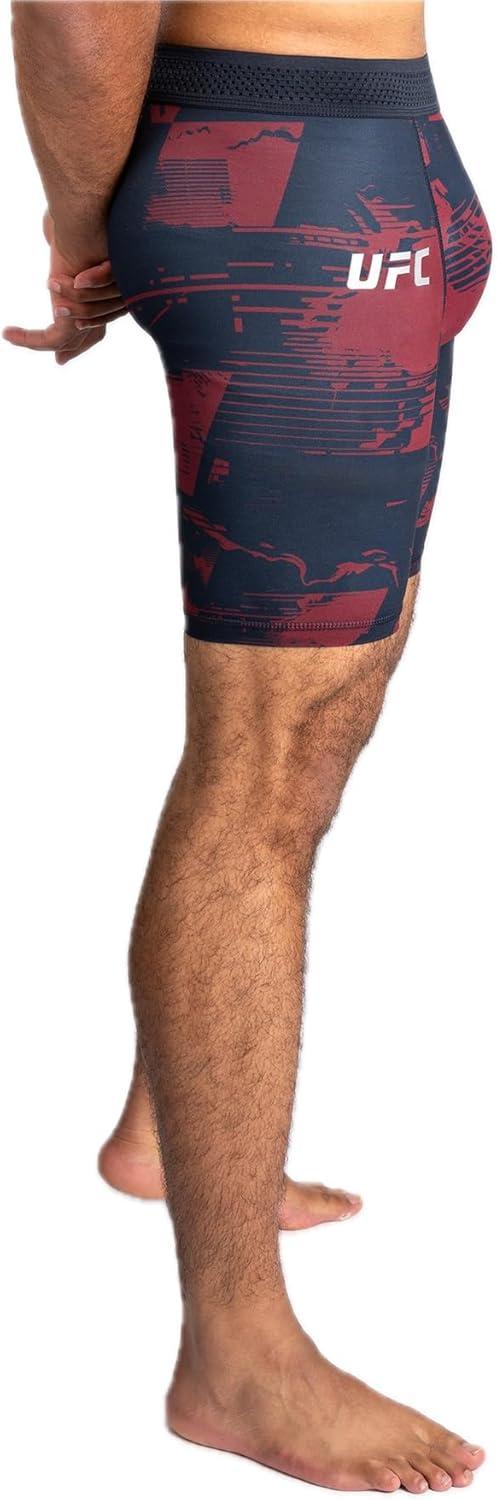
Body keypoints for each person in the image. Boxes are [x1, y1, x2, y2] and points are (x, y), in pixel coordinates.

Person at [5, 2, 491, 1492]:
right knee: (266, 769)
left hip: (366, 166)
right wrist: (83, 228)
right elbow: (78, 10)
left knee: (313, 735)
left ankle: (172, 1127)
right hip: (291, 197)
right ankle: (236, 1353)